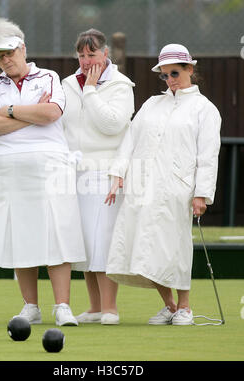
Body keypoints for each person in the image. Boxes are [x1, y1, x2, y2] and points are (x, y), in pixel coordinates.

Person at [105, 44, 221, 325]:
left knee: (175, 247)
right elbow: (130, 140)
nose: (169, 79)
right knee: (141, 244)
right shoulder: (151, 105)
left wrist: (202, 194)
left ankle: (185, 308)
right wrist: (118, 174)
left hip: (177, 190)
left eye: (174, 73)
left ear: (189, 70)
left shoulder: (205, 109)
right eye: (164, 75)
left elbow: (208, 155)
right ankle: (169, 306)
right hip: (141, 186)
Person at [0, 18, 86, 326]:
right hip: (9, 168)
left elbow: (52, 112)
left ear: (22, 48)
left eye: (9, 52)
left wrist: (10, 111)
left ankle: (63, 306)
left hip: (50, 166)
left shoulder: (50, 77)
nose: (5, 60)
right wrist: (32, 115)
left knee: (58, 233)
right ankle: (31, 306)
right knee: (20, 236)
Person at [62, 29, 135, 325]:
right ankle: (94, 308)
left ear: (105, 54)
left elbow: (112, 125)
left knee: (103, 241)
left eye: (91, 54)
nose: (85, 60)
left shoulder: (121, 85)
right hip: (74, 173)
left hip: (106, 172)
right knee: (85, 244)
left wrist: (91, 92)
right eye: (81, 55)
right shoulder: (67, 84)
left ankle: (110, 309)